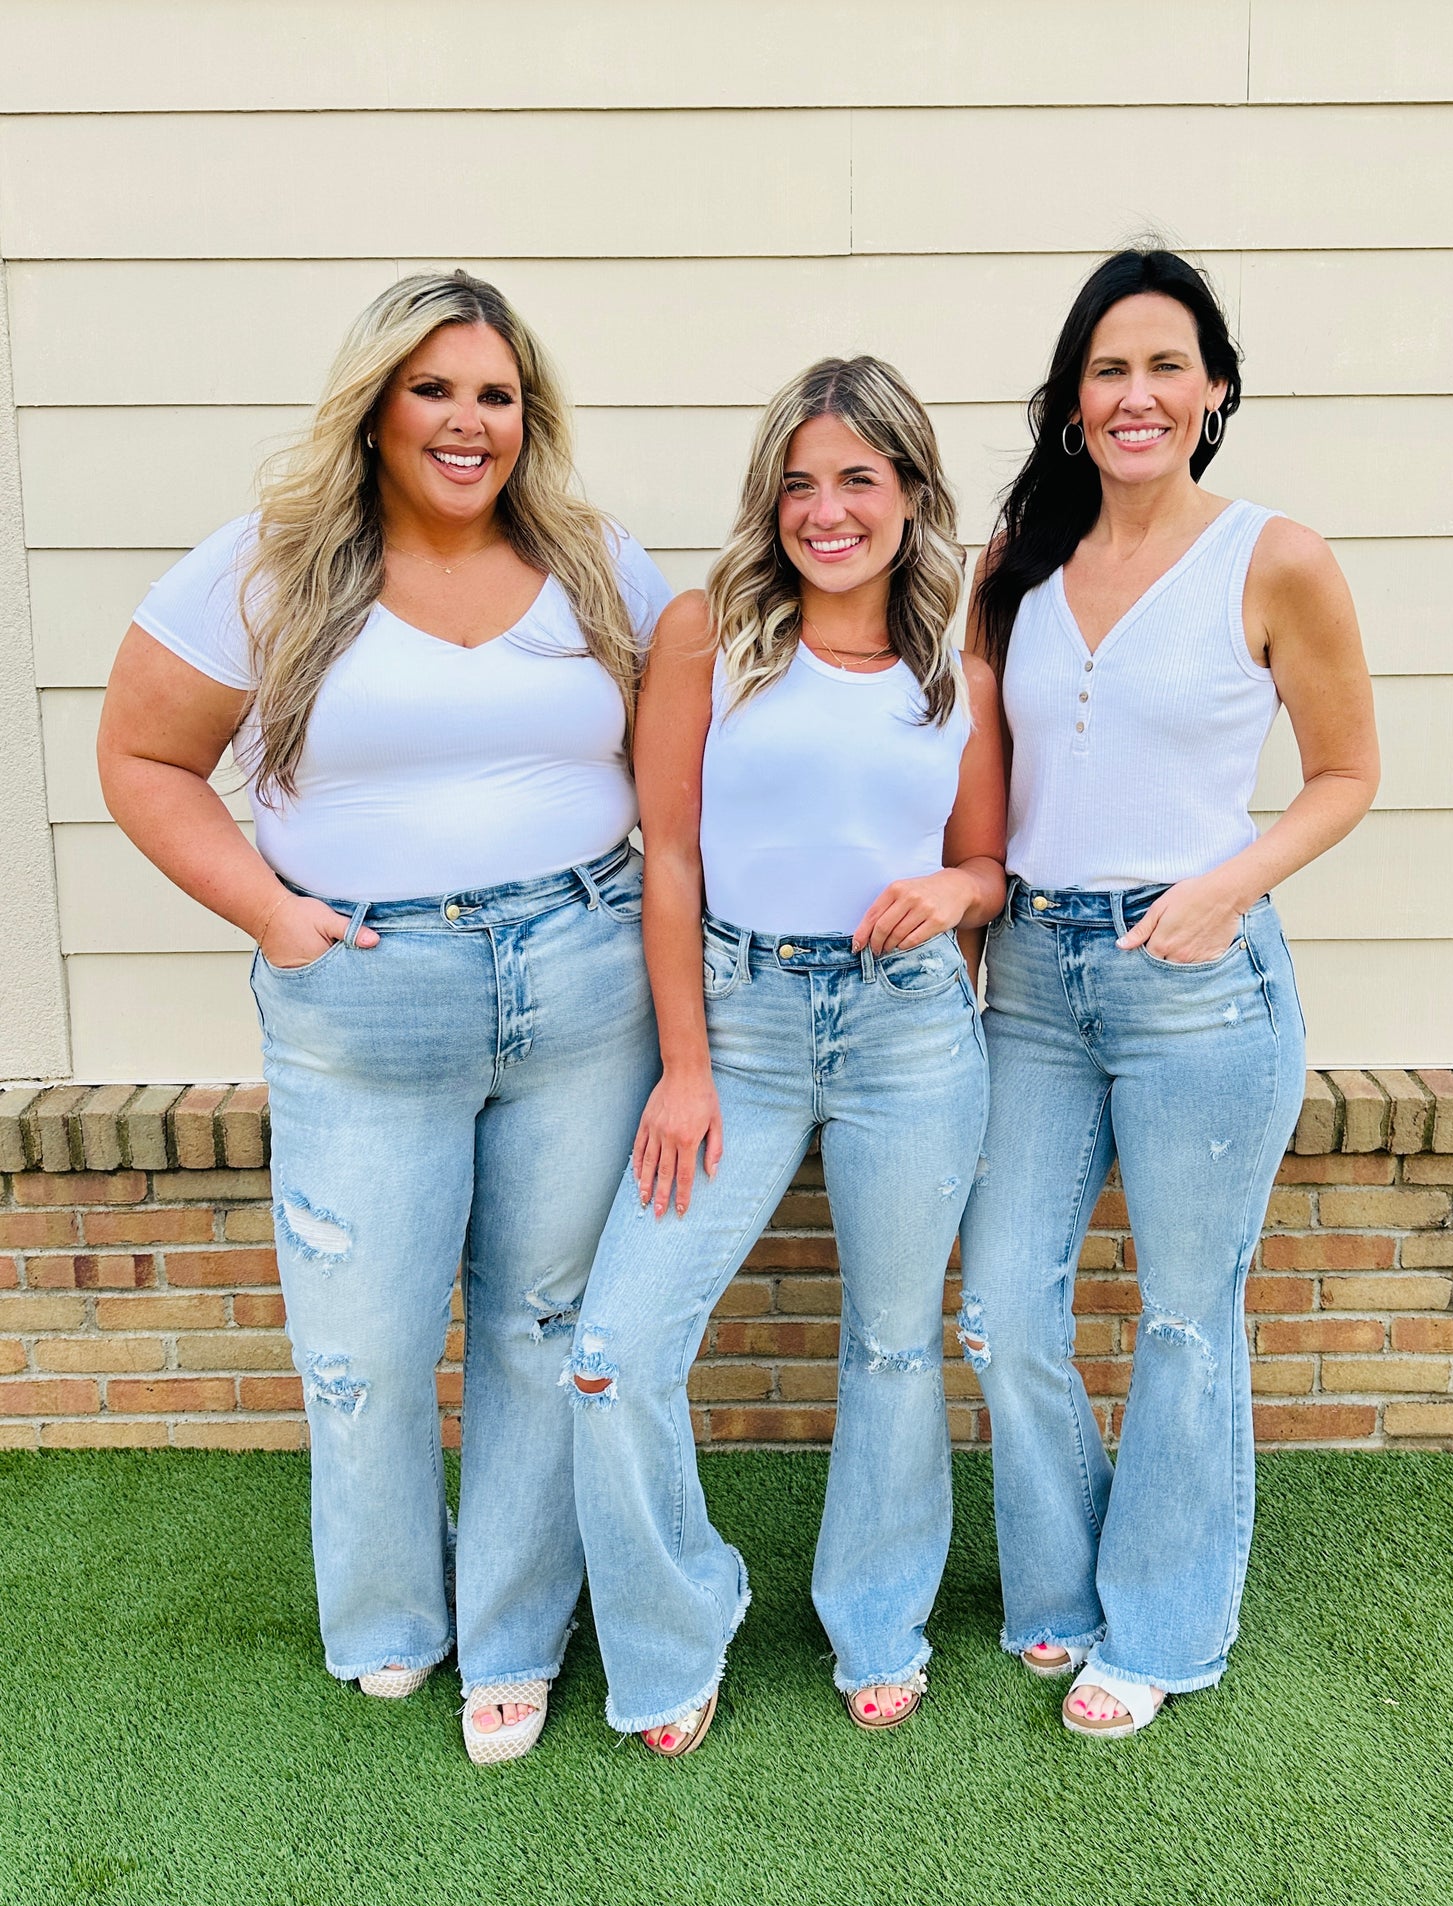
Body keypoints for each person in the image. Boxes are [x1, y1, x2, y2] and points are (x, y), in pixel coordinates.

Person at [97, 270, 672, 1764]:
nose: (467, 423)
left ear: (528, 416)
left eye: (496, 394)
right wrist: (272, 913)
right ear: (375, 407)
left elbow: (696, 743)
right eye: (434, 390)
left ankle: (517, 1634)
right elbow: (144, 759)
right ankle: (390, 1622)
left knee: (543, 1325)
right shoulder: (269, 566)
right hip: (366, 999)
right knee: (363, 1344)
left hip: (582, 982)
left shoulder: (597, 563)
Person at [960, 247, 1379, 1738]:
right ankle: (1063, 1586)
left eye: (1165, 367)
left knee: (1187, 1319)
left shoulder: (1275, 558)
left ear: (1213, 392)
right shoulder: (1016, 565)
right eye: (1108, 370)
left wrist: (1225, 886)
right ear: (1073, 401)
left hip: (1196, 981)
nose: (1136, 395)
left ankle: (1161, 1629)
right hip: (1033, 984)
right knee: (1003, 1308)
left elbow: (1346, 774)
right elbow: (989, 796)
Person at [567, 355, 1006, 1755]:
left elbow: (987, 866)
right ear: (770, 500)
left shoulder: (955, 668)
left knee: (892, 1345)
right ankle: (675, 1629)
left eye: (859, 479)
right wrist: (684, 1066)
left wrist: (951, 892)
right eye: (800, 483)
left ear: (911, 493)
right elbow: (672, 858)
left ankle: (878, 1621)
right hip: (740, 1031)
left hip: (910, 1032)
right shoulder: (711, 633)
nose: (827, 511)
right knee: (615, 1350)